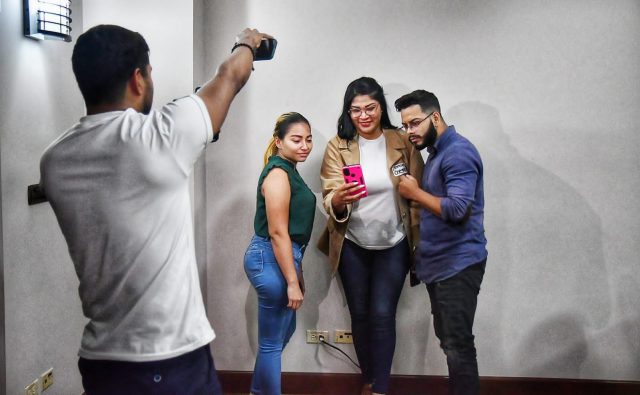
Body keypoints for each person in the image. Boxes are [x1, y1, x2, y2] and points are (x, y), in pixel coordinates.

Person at [39, 24, 270, 394]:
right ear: (138, 79)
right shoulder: (159, 138)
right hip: (168, 360)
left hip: (100, 361)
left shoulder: (53, 161)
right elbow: (231, 75)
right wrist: (248, 42)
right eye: (149, 72)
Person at [318, 77, 423, 395]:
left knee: (381, 313)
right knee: (360, 315)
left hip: (394, 242)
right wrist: (339, 198)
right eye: (355, 110)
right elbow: (329, 193)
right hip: (352, 243)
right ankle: (369, 378)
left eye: (370, 108)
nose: (363, 116)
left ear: (381, 108)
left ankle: (381, 387)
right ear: (348, 112)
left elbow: (418, 189)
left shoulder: (400, 141)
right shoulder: (339, 145)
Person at [395, 90, 488, 395]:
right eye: (405, 126)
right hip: (441, 266)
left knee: (458, 346)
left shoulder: (458, 153)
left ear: (435, 116)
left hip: (458, 265)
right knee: (451, 343)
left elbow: (459, 209)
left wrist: (415, 193)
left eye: (415, 123)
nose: (410, 131)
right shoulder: (436, 153)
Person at [244, 112, 316, 395]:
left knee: (280, 335)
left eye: (308, 140)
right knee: (272, 343)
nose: (305, 146)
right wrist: (291, 282)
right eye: (296, 140)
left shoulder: (289, 170)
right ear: (279, 142)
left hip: (281, 256)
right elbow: (277, 233)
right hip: (269, 255)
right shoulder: (277, 174)